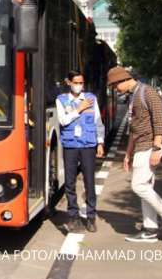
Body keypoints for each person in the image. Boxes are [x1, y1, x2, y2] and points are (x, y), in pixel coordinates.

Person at [107, 66, 162, 245]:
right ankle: (150, 229)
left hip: (151, 145)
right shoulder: (133, 96)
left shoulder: (147, 92)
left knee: (139, 185)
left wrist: (157, 148)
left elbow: (159, 120)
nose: (115, 90)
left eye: (114, 86)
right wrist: (128, 154)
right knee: (146, 187)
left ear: (122, 80)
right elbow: (134, 129)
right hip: (141, 146)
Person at [56, 70, 105, 233]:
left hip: (88, 145)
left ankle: (91, 217)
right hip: (70, 145)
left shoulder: (91, 99)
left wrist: (100, 143)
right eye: (76, 82)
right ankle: (73, 217)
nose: (79, 86)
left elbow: (98, 121)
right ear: (69, 82)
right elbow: (63, 121)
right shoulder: (61, 100)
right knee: (69, 183)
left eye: (81, 83)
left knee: (89, 182)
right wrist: (79, 109)